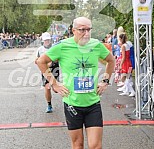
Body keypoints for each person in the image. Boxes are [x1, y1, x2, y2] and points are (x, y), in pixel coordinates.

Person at [37, 17, 115, 149]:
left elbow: (111, 60)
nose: (86, 33)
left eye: (89, 29)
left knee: (96, 146)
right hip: (72, 105)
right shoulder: (63, 46)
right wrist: (55, 84)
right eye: (82, 30)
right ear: (73, 30)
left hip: (93, 104)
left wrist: (105, 81)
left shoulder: (96, 44)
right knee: (77, 145)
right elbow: (41, 61)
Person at [35, 32, 59, 113]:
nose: (47, 41)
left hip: (55, 69)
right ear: (43, 41)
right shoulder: (40, 49)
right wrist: (39, 62)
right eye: (45, 40)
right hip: (45, 71)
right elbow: (37, 60)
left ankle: (69, 102)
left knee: (56, 89)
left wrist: (51, 62)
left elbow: (57, 59)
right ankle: (49, 105)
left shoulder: (54, 47)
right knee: (47, 87)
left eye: (48, 40)